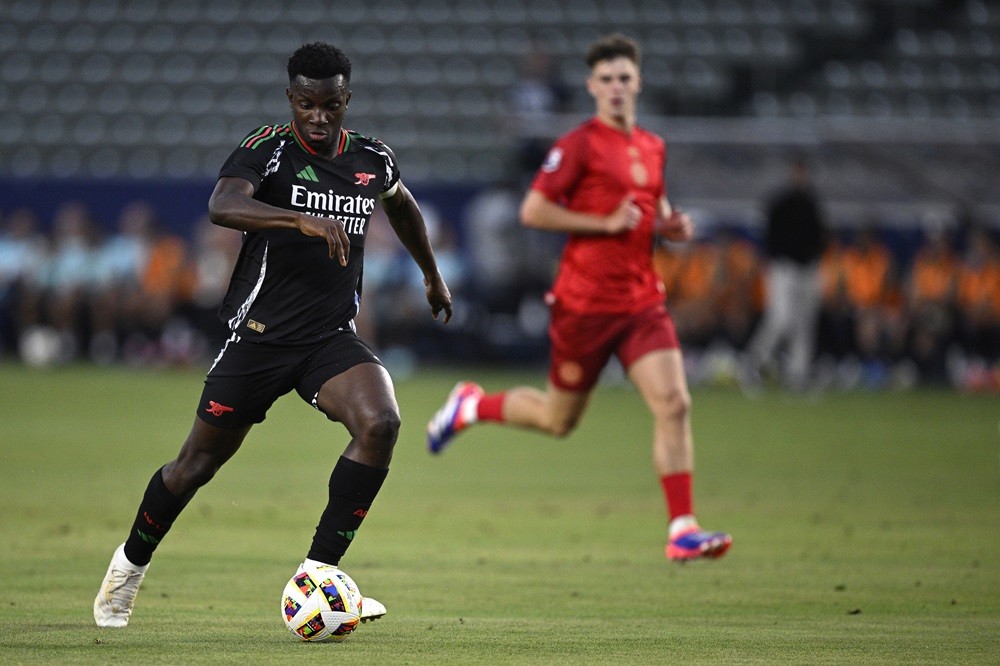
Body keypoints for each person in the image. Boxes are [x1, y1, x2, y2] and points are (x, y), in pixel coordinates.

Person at [94, 42, 453, 629]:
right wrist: (298, 218)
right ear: (291, 99)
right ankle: (127, 570)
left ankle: (320, 577)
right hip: (257, 339)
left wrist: (431, 275)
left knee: (381, 422)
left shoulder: (371, 157)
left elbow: (402, 205)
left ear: (347, 100)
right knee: (194, 466)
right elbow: (222, 205)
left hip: (327, 340)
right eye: (307, 104)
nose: (319, 116)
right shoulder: (266, 149)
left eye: (331, 104)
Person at [426, 33, 731, 563]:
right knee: (558, 420)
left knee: (675, 403)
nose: (616, 88)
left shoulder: (653, 146)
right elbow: (534, 211)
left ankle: (682, 526)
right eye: (606, 79)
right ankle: (471, 405)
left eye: (624, 79)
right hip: (584, 304)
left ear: (638, 83)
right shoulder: (578, 145)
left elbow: (654, 204)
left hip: (640, 302)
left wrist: (670, 225)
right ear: (592, 86)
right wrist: (604, 222)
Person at [742, 157, 827, 391]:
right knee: (780, 318)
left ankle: (798, 374)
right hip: (783, 267)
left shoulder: (811, 202)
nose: (800, 176)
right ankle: (754, 363)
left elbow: (820, 237)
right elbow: (769, 237)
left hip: (807, 268)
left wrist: (814, 260)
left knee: (804, 323)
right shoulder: (780, 202)